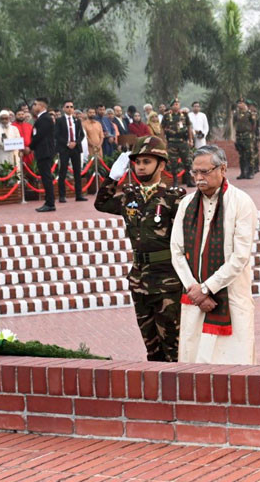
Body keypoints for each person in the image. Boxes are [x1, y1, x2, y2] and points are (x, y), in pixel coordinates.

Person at [95, 137, 186, 361]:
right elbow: (102, 203)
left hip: (167, 281)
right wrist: (113, 177)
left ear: (161, 165)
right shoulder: (129, 196)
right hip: (139, 280)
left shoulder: (175, 197)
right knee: (152, 349)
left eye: (147, 161)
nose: (141, 166)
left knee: (173, 349)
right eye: (137, 162)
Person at [172, 145, 258, 365]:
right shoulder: (186, 205)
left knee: (234, 366)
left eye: (205, 172)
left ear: (223, 169)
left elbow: (240, 257)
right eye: (195, 172)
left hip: (230, 296)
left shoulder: (241, 202)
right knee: (194, 363)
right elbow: (177, 251)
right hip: (195, 300)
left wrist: (206, 288)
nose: (199, 178)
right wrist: (195, 289)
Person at [54, 99, 86, 203]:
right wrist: (67, 143)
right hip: (64, 148)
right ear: (63, 109)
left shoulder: (77, 120)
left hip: (76, 148)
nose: (69, 109)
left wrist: (75, 142)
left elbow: (82, 135)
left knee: (77, 172)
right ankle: (62, 196)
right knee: (63, 171)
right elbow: (57, 135)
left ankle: (79, 194)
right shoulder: (59, 120)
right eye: (67, 107)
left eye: (71, 107)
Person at [29, 98, 57, 212]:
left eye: (35, 104)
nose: (33, 107)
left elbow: (39, 136)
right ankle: (49, 201)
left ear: (41, 106)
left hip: (45, 151)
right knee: (45, 177)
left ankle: (50, 203)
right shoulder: (41, 118)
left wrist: (30, 147)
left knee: (46, 178)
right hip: (42, 151)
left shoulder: (45, 118)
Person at [231, 99, 256, 180]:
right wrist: (234, 137)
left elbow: (254, 124)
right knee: (242, 155)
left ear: (244, 104)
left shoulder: (249, 113)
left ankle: (250, 172)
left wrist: (252, 135)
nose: (239, 104)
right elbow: (234, 125)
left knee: (249, 154)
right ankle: (243, 172)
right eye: (238, 103)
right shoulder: (236, 113)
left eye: (241, 103)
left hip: (247, 135)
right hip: (239, 136)